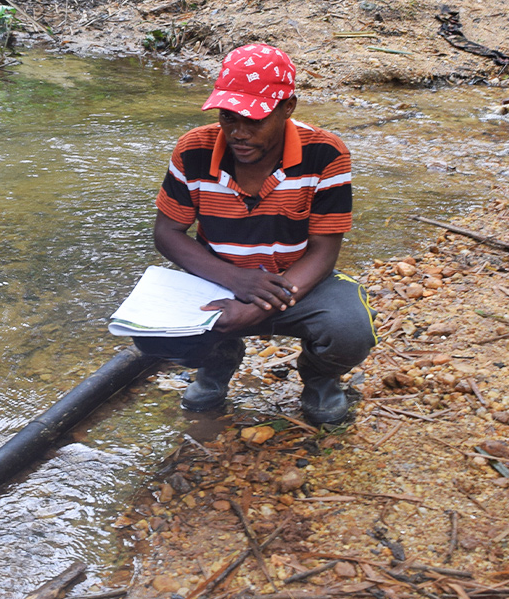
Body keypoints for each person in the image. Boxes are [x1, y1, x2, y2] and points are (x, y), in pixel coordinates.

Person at [135, 43, 376, 426]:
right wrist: (237, 281)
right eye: (229, 117)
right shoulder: (193, 150)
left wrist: (258, 305)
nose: (238, 133)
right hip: (219, 283)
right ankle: (217, 361)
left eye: (255, 120)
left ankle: (319, 378)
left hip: (299, 285)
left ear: (288, 107)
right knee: (150, 334)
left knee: (350, 329)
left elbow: (323, 252)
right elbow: (167, 234)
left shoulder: (326, 154)